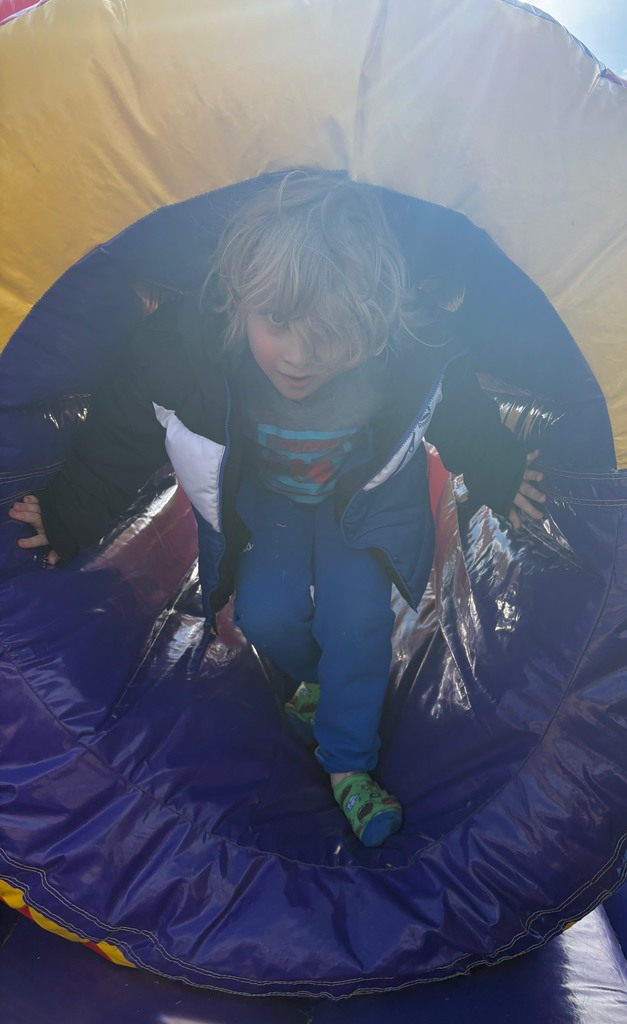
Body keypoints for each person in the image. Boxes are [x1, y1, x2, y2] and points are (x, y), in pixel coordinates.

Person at [8, 171, 545, 846]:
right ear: (239, 302)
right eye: (278, 322)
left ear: (376, 319)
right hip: (272, 498)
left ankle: (349, 766)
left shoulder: (403, 351)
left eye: (331, 331)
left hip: (360, 496)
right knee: (265, 611)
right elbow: (120, 429)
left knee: (357, 620)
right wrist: (67, 516)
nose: (298, 356)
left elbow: (456, 404)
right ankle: (319, 681)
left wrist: (497, 471)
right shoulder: (192, 351)